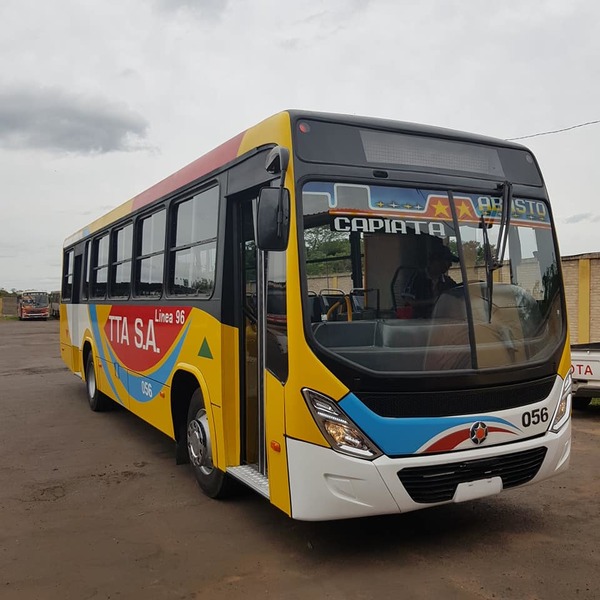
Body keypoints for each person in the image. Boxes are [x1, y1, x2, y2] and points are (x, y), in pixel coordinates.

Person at [403, 245, 459, 318]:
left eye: (450, 262)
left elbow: (459, 295)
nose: (450, 265)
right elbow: (408, 302)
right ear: (434, 261)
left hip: (443, 321)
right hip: (420, 322)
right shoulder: (418, 277)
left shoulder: (448, 281)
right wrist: (432, 301)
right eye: (446, 261)